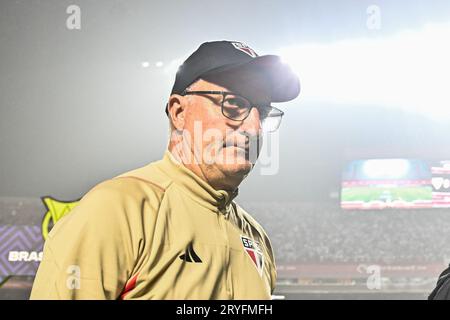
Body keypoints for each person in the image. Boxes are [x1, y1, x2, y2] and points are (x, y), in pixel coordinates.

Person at [30, 40, 300, 299]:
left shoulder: (256, 236)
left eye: (262, 113)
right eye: (234, 104)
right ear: (179, 112)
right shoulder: (116, 210)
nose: (254, 128)